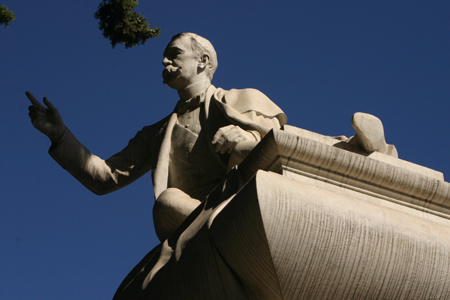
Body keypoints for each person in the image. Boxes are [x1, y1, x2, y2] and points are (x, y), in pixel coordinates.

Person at [27, 32, 287, 241]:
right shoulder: (156, 134)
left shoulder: (244, 98)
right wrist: (60, 135)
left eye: (174, 55)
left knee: (245, 147)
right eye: (164, 57)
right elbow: (105, 177)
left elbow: (277, 144)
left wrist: (249, 135)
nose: (165, 62)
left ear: (203, 61)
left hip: (247, 203)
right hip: (193, 214)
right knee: (168, 202)